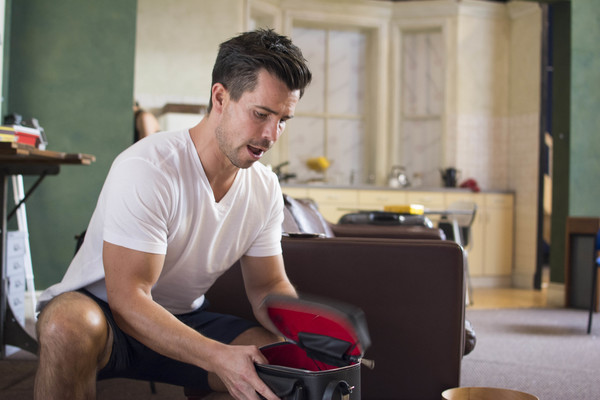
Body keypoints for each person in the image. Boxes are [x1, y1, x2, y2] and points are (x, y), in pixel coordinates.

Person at [34, 28, 312, 400]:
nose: (271, 134)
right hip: (106, 317)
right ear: (220, 97)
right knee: (65, 324)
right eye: (261, 114)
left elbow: (267, 287)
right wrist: (217, 357)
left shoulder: (264, 188)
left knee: (281, 365)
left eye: (282, 120)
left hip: (186, 317)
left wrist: (312, 331)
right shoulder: (149, 167)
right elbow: (129, 299)